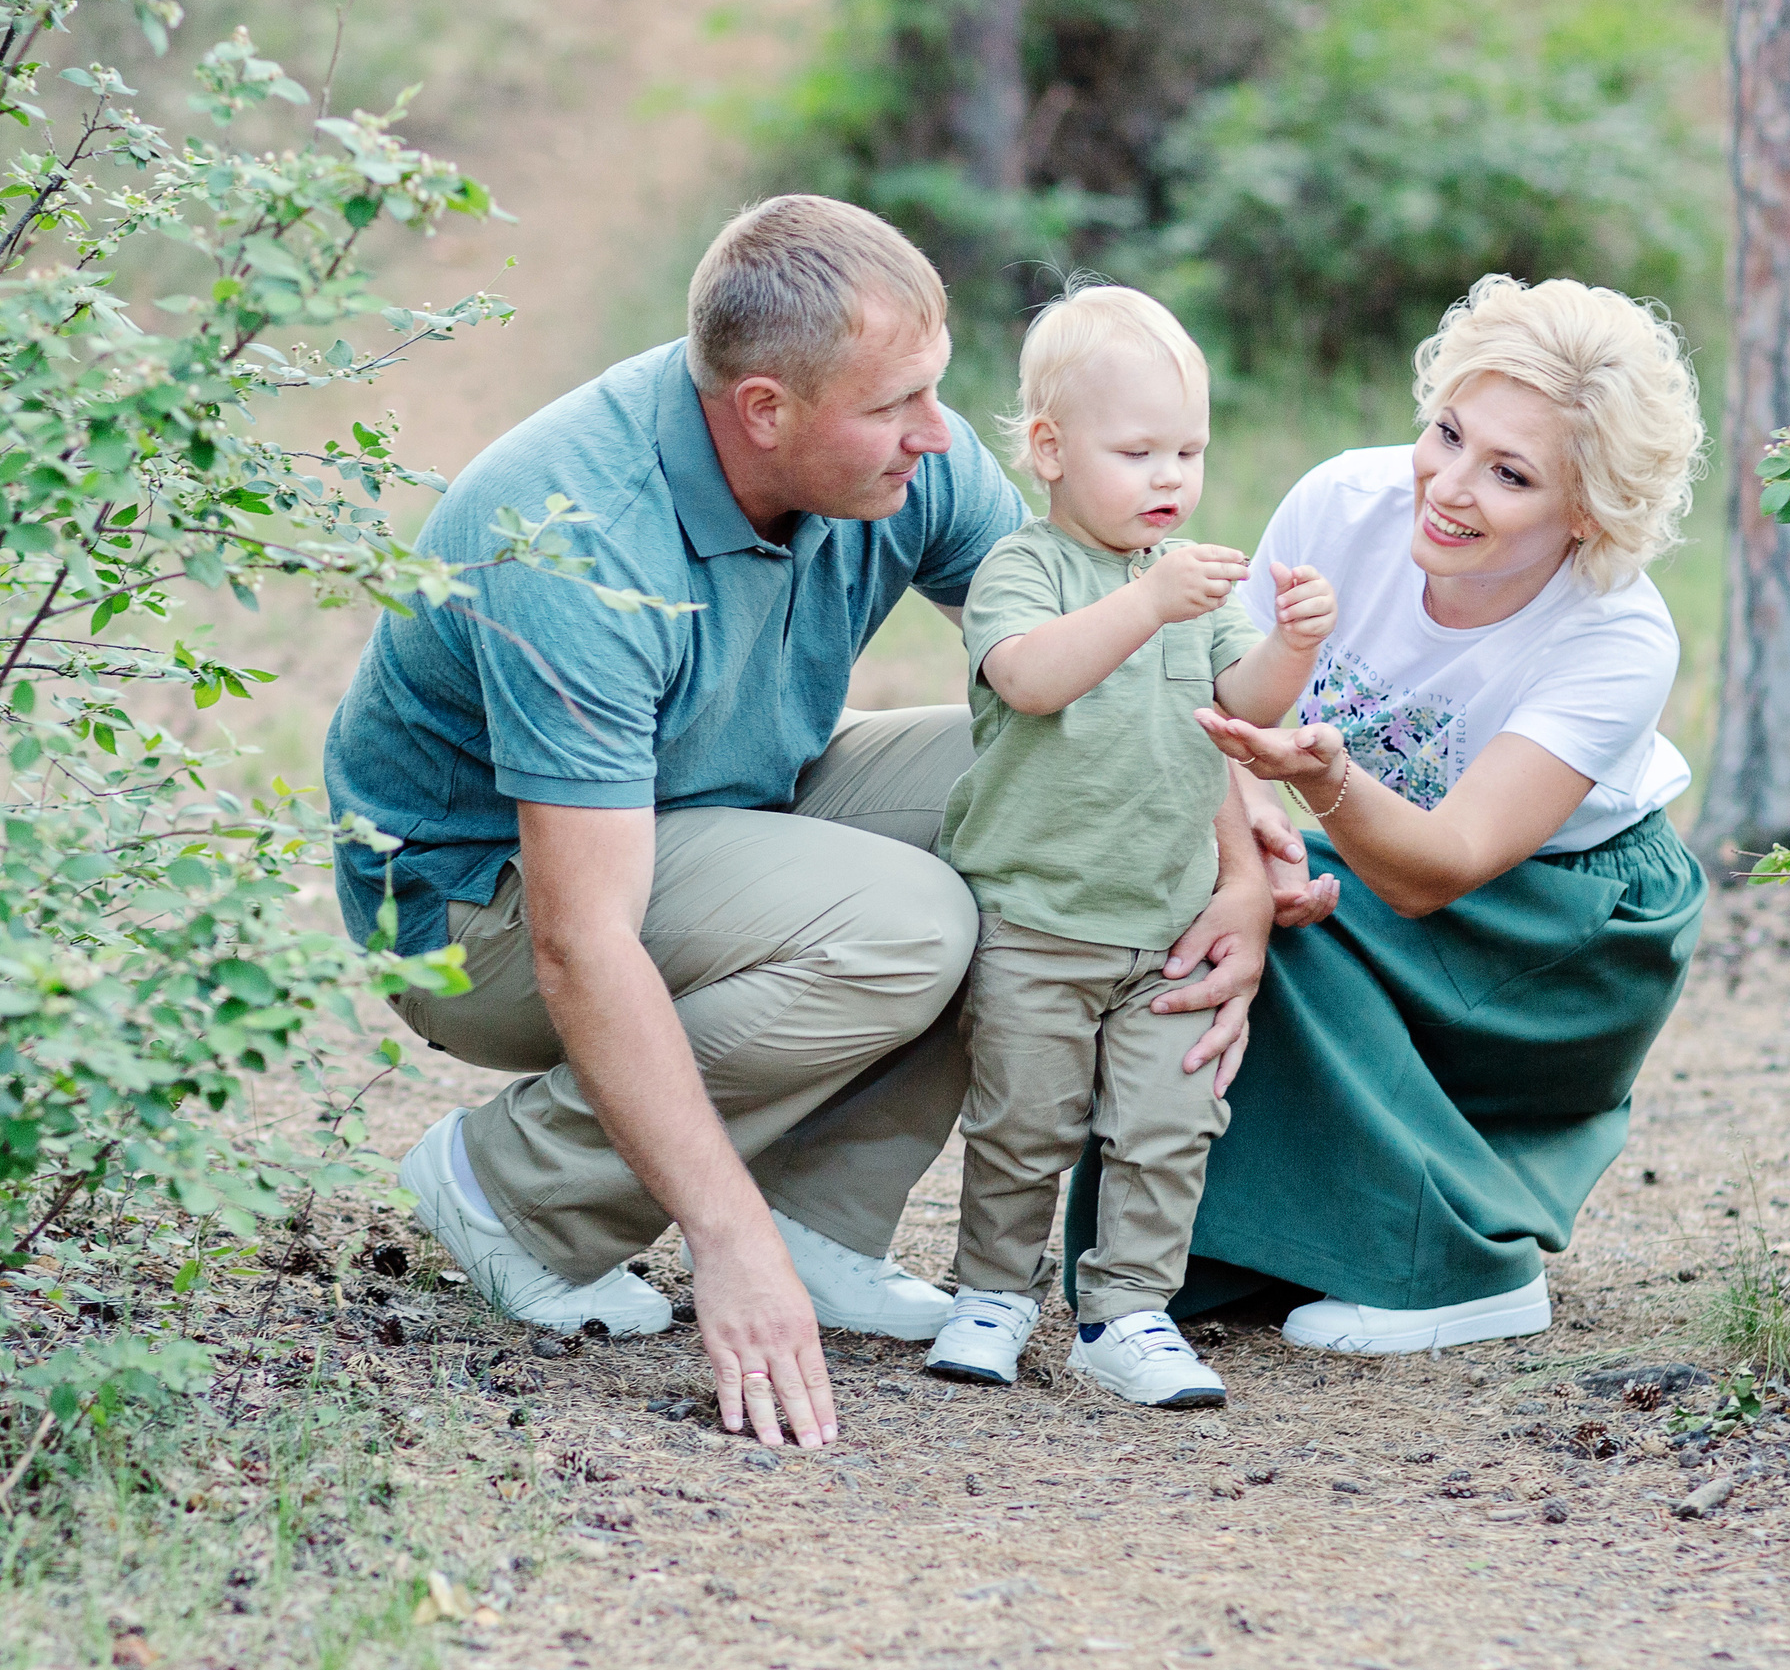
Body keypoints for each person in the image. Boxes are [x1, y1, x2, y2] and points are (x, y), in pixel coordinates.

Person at [322, 197, 1275, 1451]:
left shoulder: (899, 457)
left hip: (707, 816)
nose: (937, 435)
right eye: (896, 406)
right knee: (907, 923)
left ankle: (823, 1217)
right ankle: (518, 1191)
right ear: (765, 408)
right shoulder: (576, 541)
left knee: (1050, 799)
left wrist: (1238, 859)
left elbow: (1102, 681)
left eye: (934, 389)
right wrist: (725, 1248)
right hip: (480, 913)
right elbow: (581, 941)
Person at [1063, 273, 1709, 1353]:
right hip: (1368, 859)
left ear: (1588, 508)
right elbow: (1209, 706)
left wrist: (1311, 790)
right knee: (1188, 904)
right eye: (1448, 434)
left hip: (1563, 927)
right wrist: (1239, 874)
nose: (1449, 487)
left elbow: (1437, 867)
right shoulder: (1341, 505)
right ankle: (1223, 1242)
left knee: (1303, 932)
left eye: (1509, 474)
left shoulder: (1615, 637)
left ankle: (1458, 1268)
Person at [916, 287, 1334, 1408]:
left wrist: (1290, 649)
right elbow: (1029, 678)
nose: (1170, 478)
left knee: (1166, 1126)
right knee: (1022, 1121)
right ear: (1049, 451)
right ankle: (993, 1295)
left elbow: (1240, 704)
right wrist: (1149, 602)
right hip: (1037, 918)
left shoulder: (1193, 589)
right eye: (1138, 450)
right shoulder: (1025, 568)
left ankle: (1126, 1312)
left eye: (1188, 451)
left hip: (1165, 924)